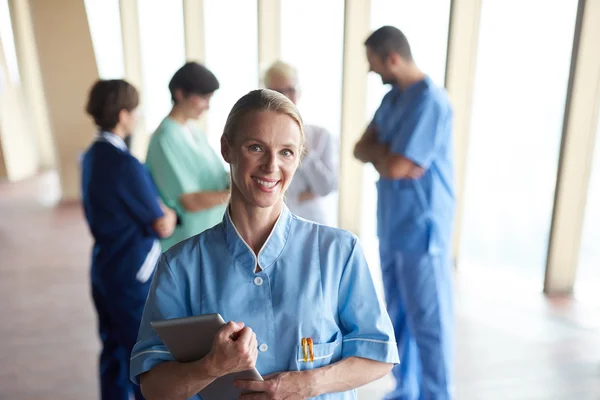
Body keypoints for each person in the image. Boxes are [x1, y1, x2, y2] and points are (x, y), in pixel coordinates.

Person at [130, 89, 399, 399]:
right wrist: (209, 367)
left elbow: (378, 356)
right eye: (256, 147)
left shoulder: (339, 252)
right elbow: (153, 387)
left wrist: (306, 384)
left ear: (298, 159)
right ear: (227, 149)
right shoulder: (180, 267)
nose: (271, 166)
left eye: (286, 152)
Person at [353, 26, 455, 400]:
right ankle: (406, 390)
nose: (372, 72)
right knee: (398, 317)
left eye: (374, 64)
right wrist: (386, 156)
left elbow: (395, 165)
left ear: (392, 58)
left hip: (422, 228)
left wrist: (386, 156)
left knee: (430, 323)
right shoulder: (393, 99)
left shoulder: (430, 101)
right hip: (393, 226)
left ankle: (436, 394)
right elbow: (361, 148)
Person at [81, 79, 177, 400]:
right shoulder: (125, 164)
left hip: (103, 266)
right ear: (123, 115)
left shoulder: (91, 157)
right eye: (134, 111)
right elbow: (161, 223)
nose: (136, 117)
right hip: (130, 273)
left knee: (112, 350)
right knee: (141, 357)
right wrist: (172, 215)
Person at [145, 62, 230, 251]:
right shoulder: (165, 138)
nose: (207, 106)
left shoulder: (193, 130)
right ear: (180, 94)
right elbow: (190, 201)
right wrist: (239, 195)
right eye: (203, 98)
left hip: (211, 234)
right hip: (188, 242)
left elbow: (214, 177)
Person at [263, 61, 338, 225]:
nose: (285, 97)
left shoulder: (320, 135)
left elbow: (326, 187)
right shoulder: (257, 136)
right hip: (270, 224)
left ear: (299, 91)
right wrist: (301, 195)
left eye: (290, 90)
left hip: (311, 222)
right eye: (277, 91)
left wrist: (302, 149)